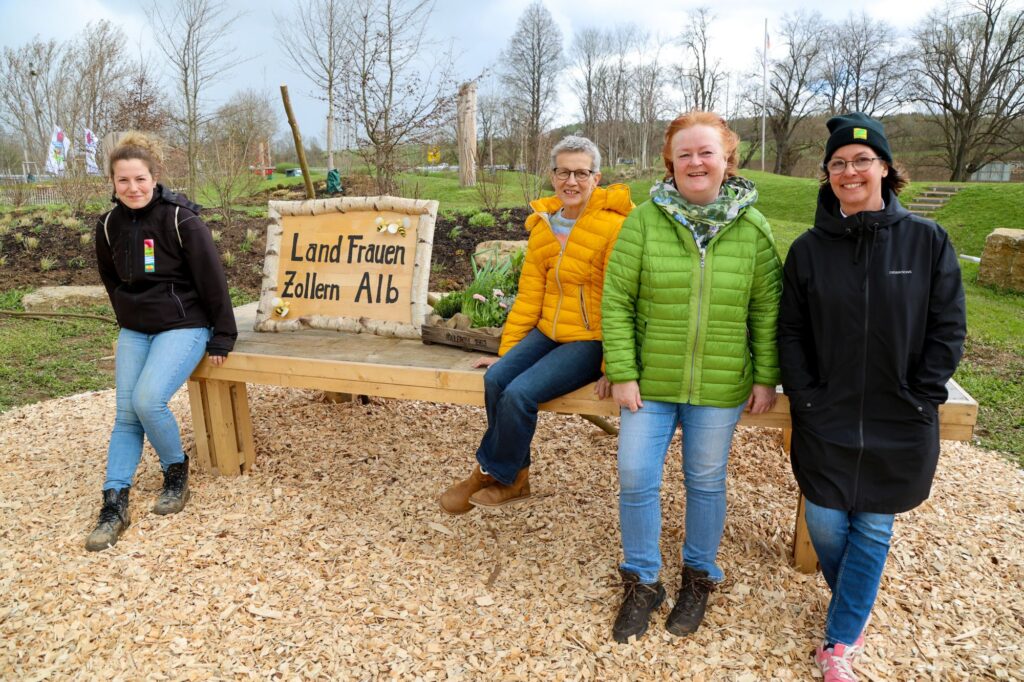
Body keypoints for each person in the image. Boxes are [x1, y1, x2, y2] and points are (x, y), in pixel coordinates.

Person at [778, 113, 966, 681]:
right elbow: (790, 329)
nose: (850, 170)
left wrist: (923, 391)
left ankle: (839, 642)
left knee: (876, 526)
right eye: (838, 163)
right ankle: (854, 601)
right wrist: (806, 394)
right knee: (829, 523)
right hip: (826, 412)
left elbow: (948, 325)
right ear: (827, 175)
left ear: (886, 168)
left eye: (862, 160)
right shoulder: (809, 249)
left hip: (899, 415)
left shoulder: (927, 240)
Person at [601, 111, 782, 643]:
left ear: (728, 159)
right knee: (636, 477)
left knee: (705, 481)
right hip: (648, 383)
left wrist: (766, 375)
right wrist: (623, 371)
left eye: (707, 152)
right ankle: (643, 580)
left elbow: (767, 308)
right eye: (685, 154)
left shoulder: (753, 227)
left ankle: (699, 575)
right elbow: (617, 300)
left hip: (720, 384)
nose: (696, 162)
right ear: (670, 163)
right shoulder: (645, 221)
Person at [439, 135, 633, 513]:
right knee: (497, 379)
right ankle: (515, 476)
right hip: (548, 332)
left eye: (581, 173)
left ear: (597, 177)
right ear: (552, 175)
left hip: (590, 339)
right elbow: (529, 298)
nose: (571, 182)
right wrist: (509, 354)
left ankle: (489, 474)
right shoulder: (544, 226)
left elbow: (621, 299)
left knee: (519, 394)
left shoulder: (615, 228)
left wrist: (614, 364)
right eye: (564, 172)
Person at [86, 132, 237, 552]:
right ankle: (114, 502)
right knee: (125, 414)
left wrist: (223, 336)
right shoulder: (107, 225)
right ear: (112, 183)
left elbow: (213, 282)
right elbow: (111, 278)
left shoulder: (180, 219)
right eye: (123, 181)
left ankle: (176, 472)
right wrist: (127, 315)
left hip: (184, 324)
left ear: (154, 177)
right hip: (136, 329)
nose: (132, 188)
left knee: (147, 400)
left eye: (139, 179)